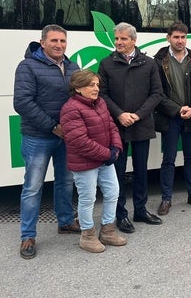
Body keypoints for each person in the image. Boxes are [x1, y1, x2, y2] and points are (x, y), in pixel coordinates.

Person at [14, 24, 80, 259]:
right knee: (33, 187)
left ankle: (65, 222)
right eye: (54, 41)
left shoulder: (72, 67)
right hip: (38, 136)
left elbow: (79, 99)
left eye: (63, 41)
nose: (59, 45)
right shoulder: (27, 66)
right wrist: (53, 126)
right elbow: (22, 102)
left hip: (66, 136)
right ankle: (28, 236)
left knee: (65, 181)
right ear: (42, 43)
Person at [98, 22, 163, 234]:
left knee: (141, 171)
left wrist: (138, 115)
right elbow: (102, 94)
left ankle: (141, 210)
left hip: (141, 124)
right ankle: (121, 214)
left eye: (123, 39)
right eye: (116, 39)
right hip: (117, 127)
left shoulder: (149, 63)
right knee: (117, 173)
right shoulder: (107, 64)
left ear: (134, 41)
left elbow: (156, 94)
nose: (118, 42)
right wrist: (120, 114)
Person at [60, 70, 127, 253]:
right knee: (88, 198)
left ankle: (108, 231)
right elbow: (79, 141)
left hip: (105, 159)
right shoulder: (70, 108)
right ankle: (87, 236)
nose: (96, 88)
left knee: (113, 192)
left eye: (97, 85)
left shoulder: (100, 103)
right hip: (85, 163)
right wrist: (107, 154)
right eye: (91, 85)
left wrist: (116, 147)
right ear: (78, 87)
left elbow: (111, 126)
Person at [154, 21, 191, 215]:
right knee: (168, 159)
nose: (180, 40)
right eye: (176, 37)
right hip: (170, 117)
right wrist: (177, 110)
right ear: (168, 37)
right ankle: (166, 199)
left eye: (183, 37)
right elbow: (157, 92)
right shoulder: (159, 60)